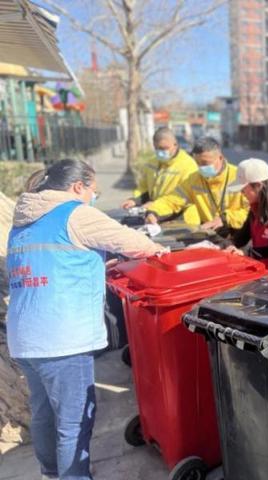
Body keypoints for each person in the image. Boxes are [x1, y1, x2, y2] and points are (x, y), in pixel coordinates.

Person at [6, 159, 165, 480]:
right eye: (93, 189)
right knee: (74, 419)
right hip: (61, 338)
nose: (93, 195)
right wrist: (158, 249)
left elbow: (53, 263)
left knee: (44, 413)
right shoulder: (75, 212)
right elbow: (132, 244)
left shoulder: (23, 219)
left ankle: (52, 473)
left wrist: (93, 268)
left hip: (24, 336)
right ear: (78, 186)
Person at [145, 137, 249, 233]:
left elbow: (251, 212)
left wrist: (225, 219)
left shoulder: (239, 177)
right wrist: (153, 212)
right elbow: (172, 200)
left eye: (205, 163)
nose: (201, 167)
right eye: (197, 163)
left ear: (220, 158)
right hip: (210, 233)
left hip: (239, 235)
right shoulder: (194, 179)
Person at [121, 127, 198, 209]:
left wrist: (157, 205)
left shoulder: (188, 165)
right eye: (158, 148)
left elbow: (183, 197)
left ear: (175, 145)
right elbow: (143, 187)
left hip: (179, 215)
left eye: (165, 148)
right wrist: (135, 200)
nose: (161, 152)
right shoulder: (151, 162)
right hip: (154, 211)